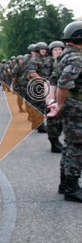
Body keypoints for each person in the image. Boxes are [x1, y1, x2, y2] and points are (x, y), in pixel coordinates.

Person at [47, 21, 82, 202]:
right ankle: (71, 187)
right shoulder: (76, 58)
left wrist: (52, 100)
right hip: (76, 108)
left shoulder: (63, 57)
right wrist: (58, 104)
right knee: (76, 147)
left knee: (70, 145)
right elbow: (63, 83)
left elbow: (53, 79)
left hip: (71, 106)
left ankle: (65, 184)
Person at [45, 40, 66, 153]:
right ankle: (54, 141)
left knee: (61, 119)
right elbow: (46, 80)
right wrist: (49, 97)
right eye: (55, 49)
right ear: (51, 52)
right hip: (51, 93)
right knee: (53, 119)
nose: (58, 51)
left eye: (60, 49)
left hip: (62, 93)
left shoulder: (64, 61)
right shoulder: (49, 63)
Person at [25, 41, 49, 132]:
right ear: (38, 50)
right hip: (37, 86)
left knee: (41, 105)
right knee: (39, 105)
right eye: (42, 49)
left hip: (42, 85)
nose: (44, 51)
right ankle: (40, 126)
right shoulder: (35, 59)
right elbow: (32, 73)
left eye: (45, 49)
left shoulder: (44, 59)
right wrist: (43, 82)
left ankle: (38, 124)